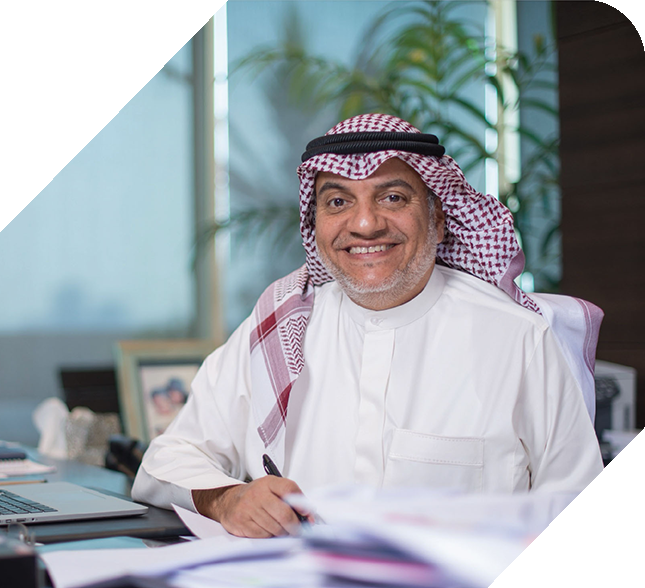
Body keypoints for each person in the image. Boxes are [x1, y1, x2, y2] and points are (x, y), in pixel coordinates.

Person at [132, 114, 607, 538]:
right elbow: (166, 461)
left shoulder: (517, 338)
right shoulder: (281, 324)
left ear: (439, 218)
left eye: (392, 197)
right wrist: (227, 499)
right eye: (337, 202)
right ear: (314, 223)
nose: (364, 224)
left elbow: (579, 516)